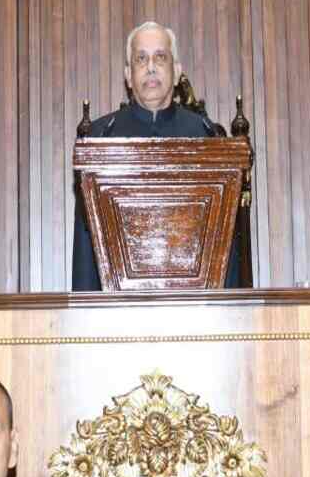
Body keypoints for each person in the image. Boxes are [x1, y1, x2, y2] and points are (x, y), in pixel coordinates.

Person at [72, 20, 244, 290]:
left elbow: (227, 243)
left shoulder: (207, 137)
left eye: (160, 57)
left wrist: (229, 307)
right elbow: (86, 242)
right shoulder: (101, 137)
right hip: (118, 308)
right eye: (141, 59)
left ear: (176, 73)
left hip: (196, 306)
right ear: (128, 75)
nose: (150, 67)